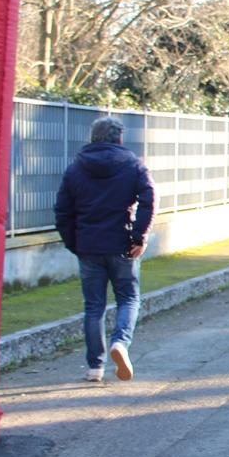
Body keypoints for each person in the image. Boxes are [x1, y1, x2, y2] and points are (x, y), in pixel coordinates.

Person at [54, 115, 154, 384]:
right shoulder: (133, 165)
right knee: (129, 298)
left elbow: (62, 211)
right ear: (119, 138)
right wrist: (139, 237)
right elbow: (149, 200)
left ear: (93, 137)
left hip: (88, 245)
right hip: (123, 244)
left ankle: (94, 367)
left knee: (93, 306)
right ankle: (120, 342)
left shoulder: (75, 168)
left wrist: (73, 243)